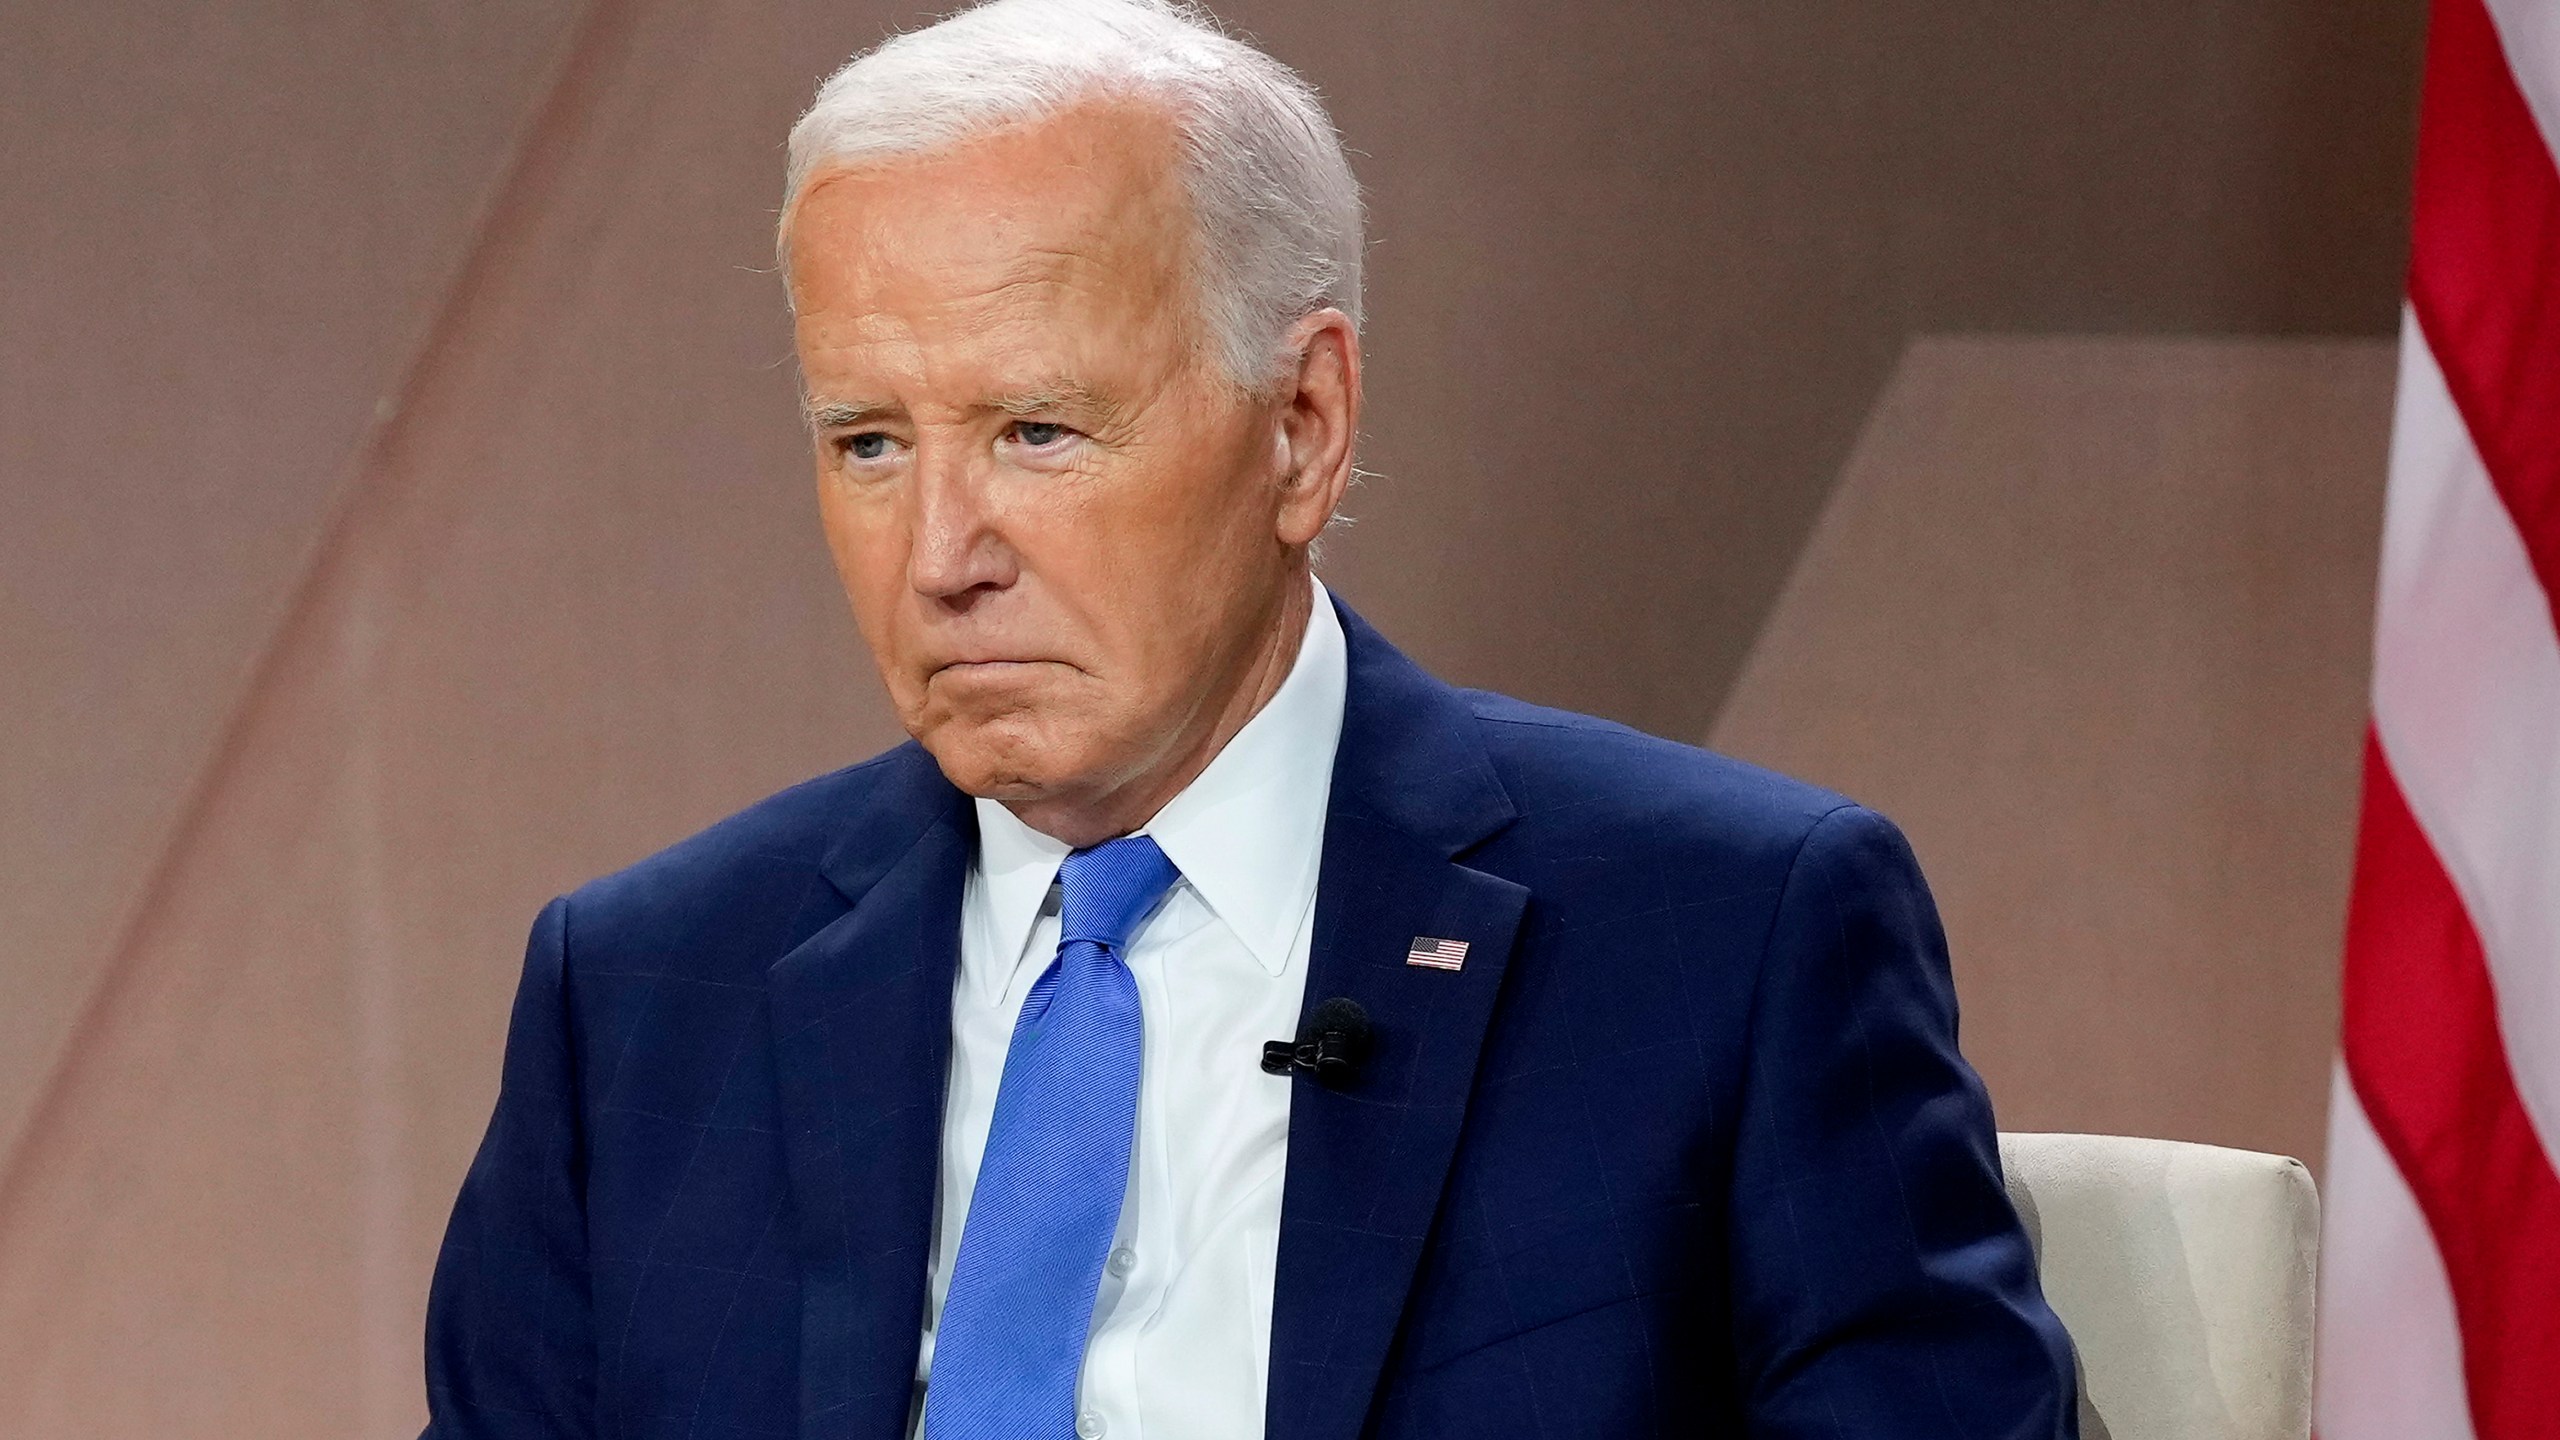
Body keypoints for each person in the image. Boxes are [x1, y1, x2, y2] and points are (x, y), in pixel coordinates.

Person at [421, 1, 2078, 1435]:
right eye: (867, 442)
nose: (940, 558)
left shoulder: (1730, 942)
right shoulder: (637, 999)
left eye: (1038, 431)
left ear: (1303, 426)